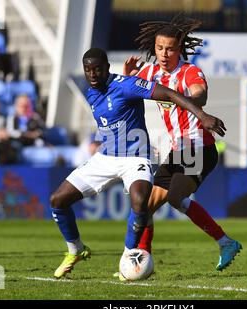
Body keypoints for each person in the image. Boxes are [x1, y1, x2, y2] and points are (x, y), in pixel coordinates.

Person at [49, 48, 226, 279]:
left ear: (107, 68)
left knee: (141, 201)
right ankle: (76, 250)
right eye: (88, 70)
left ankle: (128, 257)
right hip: (105, 158)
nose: (92, 74)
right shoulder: (90, 91)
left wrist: (201, 115)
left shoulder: (126, 85)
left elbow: (170, 94)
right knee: (57, 200)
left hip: (135, 158)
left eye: (97, 69)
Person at [122, 15, 242, 272]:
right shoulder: (151, 72)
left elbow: (200, 93)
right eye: (160, 48)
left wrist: (193, 98)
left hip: (199, 148)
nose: (165, 54)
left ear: (180, 48)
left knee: (176, 197)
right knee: (144, 207)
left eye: (171, 48)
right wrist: (128, 76)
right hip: (177, 151)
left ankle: (225, 242)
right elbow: (129, 88)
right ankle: (140, 262)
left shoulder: (189, 72)